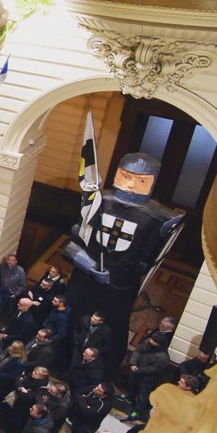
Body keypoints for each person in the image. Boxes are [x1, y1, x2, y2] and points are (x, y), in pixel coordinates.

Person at [63, 152, 183, 373]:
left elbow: (148, 261)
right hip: (85, 283)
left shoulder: (159, 218)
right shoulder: (98, 202)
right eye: (126, 177)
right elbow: (72, 246)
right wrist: (90, 267)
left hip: (119, 290)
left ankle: (102, 370)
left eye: (141, 181)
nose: (130, 186)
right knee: (71, 325)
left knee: (111, 332)